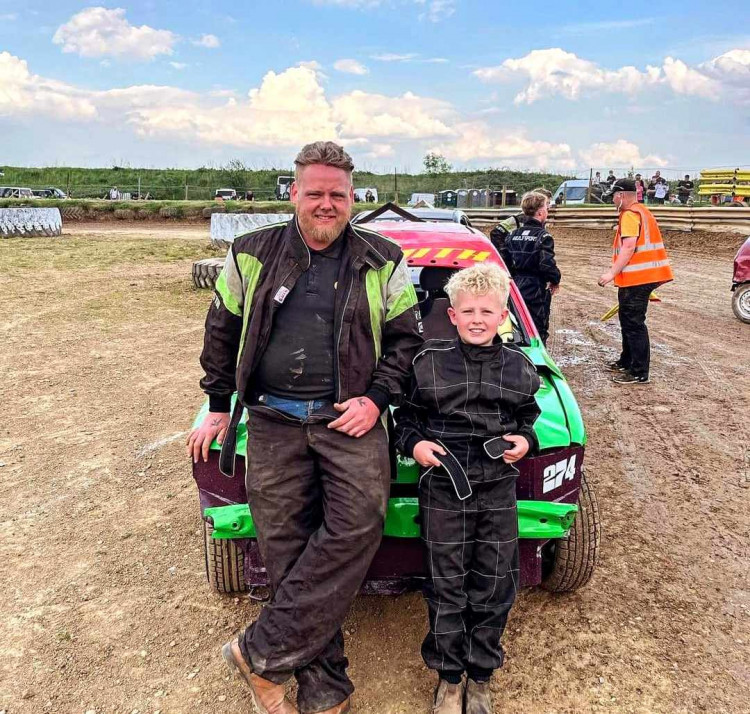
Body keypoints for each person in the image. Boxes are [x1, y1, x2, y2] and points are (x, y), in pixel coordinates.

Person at [187, 141, 423, 714]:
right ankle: (325, 688)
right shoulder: (250, 253)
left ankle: (258, 652)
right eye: (313, 192)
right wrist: (219, 405)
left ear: (353, 197)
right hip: (271, 418)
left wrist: (376, 398)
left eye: (336, 194)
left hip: (351, 419)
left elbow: (406, 343)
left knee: (358, 526)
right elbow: (221, 330)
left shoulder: (383, 258)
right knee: (285, 546)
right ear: (292, 193)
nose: (325, 203)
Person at [394, 263, 541, 714]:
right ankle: (450, 678)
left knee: (495, 583)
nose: (478, 319)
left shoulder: (519, 368)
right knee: (446, 584)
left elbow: (528, 419)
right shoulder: (427, 365)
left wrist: (526, 440)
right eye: (468, 311)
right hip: (444, 485)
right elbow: (405, 420)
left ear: (503, 317)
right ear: (452, 315)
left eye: (488, 311)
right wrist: (416, 443)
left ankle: (480, 677)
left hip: (497, 487)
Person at [597, 178, 674, 384]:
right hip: (638, 277)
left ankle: (638, 372)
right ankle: (627, 361)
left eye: (614, 196)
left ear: (621, 195)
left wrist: (611, 273)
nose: (612, 200)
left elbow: (629, 247)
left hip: (639, 278)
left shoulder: (630, 215)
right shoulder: (641, 211)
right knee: (627, 319)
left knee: (633, 323)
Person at [499, 191, 561, 345]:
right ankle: (536, 363)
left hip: (514, 285)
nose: (547, 210)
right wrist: (555, 279)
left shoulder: (512, 234)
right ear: (540, 212)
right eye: (546, 207)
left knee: (516, 325)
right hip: (536, 288)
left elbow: (504, 262)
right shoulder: (544, 236)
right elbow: (546, 264)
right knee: (537, 328)